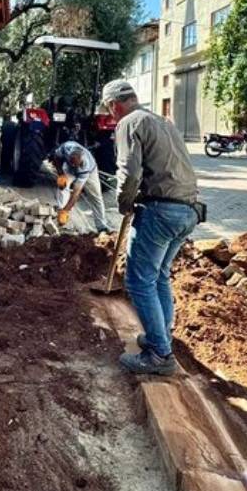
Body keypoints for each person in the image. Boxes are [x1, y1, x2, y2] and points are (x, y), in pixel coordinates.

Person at [101, 78, 203, 376]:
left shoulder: (129, 123)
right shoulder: (161, 121)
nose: (110, 116)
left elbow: (129, 172)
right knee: (158, 276)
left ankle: (159, 355)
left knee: (138, 281)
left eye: (109, 110)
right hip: (188, 210)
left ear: (114, 105)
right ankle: (161, 337)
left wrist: (124, 202)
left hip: (161, 211)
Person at [49, 139, 110, 233]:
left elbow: (76, 193)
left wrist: (67, 210)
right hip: (69, 169)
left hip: (89, 172)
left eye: (75, 164)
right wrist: (61, 174)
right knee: (62, 186)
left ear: (80, 160)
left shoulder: (85, 165)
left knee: (96, 197)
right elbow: (56, 158)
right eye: (72, 162)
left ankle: (101, 226)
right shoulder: (66, 148)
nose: (74, 165)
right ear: (69, 156)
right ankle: (60, 213)